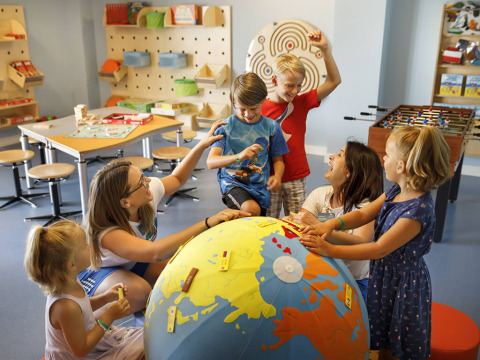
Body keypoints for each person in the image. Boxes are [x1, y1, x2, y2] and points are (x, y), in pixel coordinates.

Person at [299, 126, 451, 360]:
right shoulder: (395, 191)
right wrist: (332, 224)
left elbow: (378, 249)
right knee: (381, 332)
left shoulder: (418, 210)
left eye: (387, 155)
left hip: (402, 282)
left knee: (397, 336)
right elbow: (362, 215)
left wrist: (330, 249)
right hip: (384, 275)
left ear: (402, 166)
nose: (383, 159)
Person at [79, 120, 249, 314]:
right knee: (140, 292)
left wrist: (201, 145)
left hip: (132, 264)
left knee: (184, 271)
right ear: (125, 202)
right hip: (99, 274)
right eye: (141, 182)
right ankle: (93, 317)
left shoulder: (143, 195)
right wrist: (207, 223)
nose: (149, 182)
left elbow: (177, 179)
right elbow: (155, 252)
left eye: (143, 175)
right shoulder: (108, 234)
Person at [24, 220, 144, 359]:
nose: (89, 246)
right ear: (71, 264)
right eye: (84, 246)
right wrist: (108, 316)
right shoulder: (65, 306)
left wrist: (105, 297)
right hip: (82, 354)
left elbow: (83, 308)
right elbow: (81, 350)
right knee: (143, 349)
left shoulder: (70, 281)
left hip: (91, 343)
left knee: (145, 338)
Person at [285, 141, 383, 301]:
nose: (331, 157)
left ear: (349, 171)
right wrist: (290, 222)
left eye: (339, 155)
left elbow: (362, 242)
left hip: (353, 281)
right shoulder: (320, 194)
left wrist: (320, 226)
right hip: (319, 272)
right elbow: (302, 226)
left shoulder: (366, 207)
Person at [261, 29, 342, 218]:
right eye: (289, 85)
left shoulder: (301, 102)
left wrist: (325, 49)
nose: (295, 90)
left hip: (296, 176)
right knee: (267, 224)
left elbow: (335, 80)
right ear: (274, 80)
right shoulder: (260, 109)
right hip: (269, 178)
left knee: (297, 224)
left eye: (299, 85)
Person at [206, 72, 289, 216]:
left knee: (256, 223)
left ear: (263, 100)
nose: (248, 114)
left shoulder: (272, 127)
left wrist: (277, 176)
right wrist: (239, 156)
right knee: (251, 210)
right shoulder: (225, 127)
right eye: (242, 109)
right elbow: (211, 162)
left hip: (260, 188)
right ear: (233, 103)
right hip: (233, 183)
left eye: (254, 108)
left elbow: (278, 160)